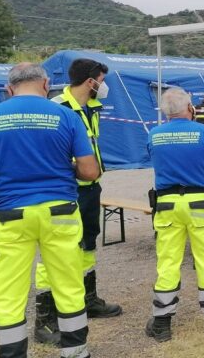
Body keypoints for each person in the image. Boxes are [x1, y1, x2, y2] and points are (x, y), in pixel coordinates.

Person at [0, 63, 98, 358]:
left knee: (9, 293)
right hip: (60, 212)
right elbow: (90, 172)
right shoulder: (66, 115)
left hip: (9, 215)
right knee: (68, 285)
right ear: (45, 84)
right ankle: (76, 352)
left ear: (8, 89)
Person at [33, 59, 121, 346]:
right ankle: (46, 319)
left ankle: (88, 299)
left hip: (90, 188)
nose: (104, 86)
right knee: (54, 251)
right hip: (65, 191)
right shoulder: (57, 107)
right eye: (102, 80)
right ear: (90, 81)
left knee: (87, 244)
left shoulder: (92, 108)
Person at [145, 87, 204, 342]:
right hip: (199, 205)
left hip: (167, 206)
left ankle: (161, 324)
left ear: (166, 112)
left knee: (168, 262)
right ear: (189, 107)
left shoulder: (154, 135)